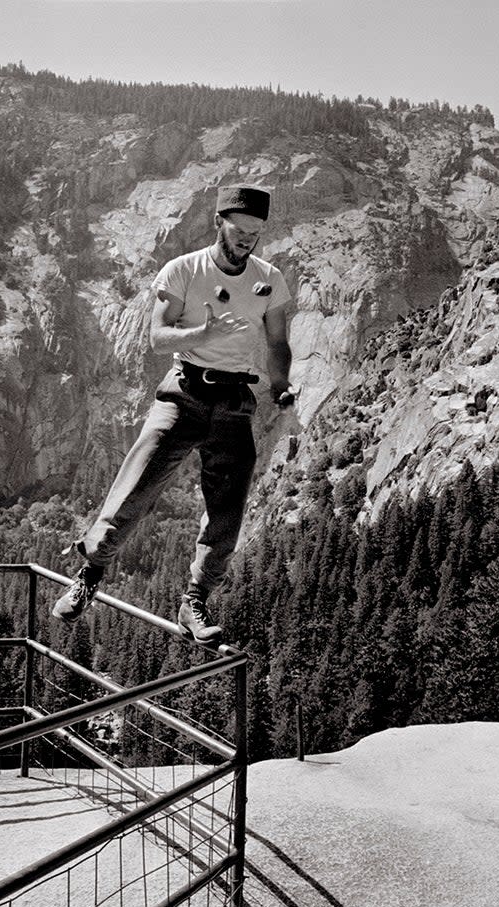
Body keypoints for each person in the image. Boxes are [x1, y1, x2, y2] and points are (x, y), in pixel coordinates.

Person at [52, 184, 294, 644]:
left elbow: (278, 342)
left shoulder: (270, 279)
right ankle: (89, 574)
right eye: (239, 230)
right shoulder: (184, 270)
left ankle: (195, 601)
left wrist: (280, 383)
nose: (246, 240)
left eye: (255, 233)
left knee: (226, 515)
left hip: (235, 404)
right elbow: (158, 338)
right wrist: (204, 332)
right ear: (217, 222)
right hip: (183, 394)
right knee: (134, 490)